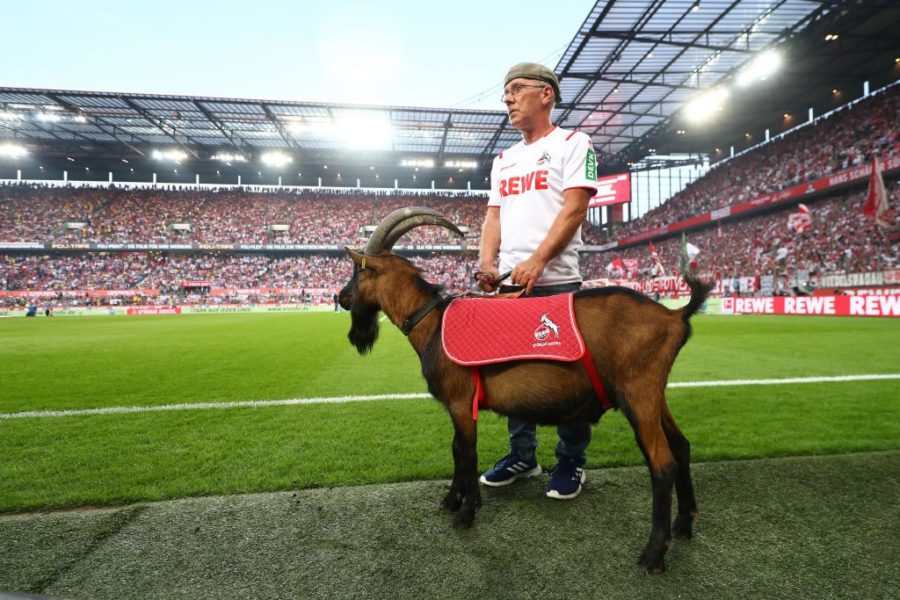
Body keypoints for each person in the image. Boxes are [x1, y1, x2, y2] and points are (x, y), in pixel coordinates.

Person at [476, 62, 599, 500]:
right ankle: (523, 456)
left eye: (515, 89)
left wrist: (538, 260)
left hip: (557, 284)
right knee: (515, 378)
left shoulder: (575, 143)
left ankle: (571, 463)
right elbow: (494, 216)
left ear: (545, 94)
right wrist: (487, 263)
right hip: (509, 288)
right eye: (505, 92)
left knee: (567, 381)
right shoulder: (504, 159)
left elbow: (575, 209)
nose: (507, 98)